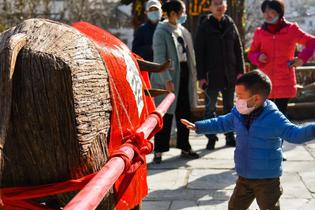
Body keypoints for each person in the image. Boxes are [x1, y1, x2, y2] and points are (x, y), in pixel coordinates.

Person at [181, 70, 315, 210]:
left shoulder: (274, 118)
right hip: (244, 176)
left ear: (256, 99)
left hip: (267, 180)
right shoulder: (238, 114)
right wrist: (198, 126)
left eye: (240, 96)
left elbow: (296, 134)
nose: (236, 100)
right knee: (234, 207)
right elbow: (220, 123)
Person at [150, 0, 199, 163]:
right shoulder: (161, 31)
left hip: (184, 74)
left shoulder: (182, 30)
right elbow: (159, 58)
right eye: (181, 12)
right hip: (169, 76)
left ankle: (185, 146)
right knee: (165, 114)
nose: (183, 15)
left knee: (184, 112)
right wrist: (166, 79)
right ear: (172, 14)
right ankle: (159, 150)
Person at [248, 0, 315, 116]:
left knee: (279, 115)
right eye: (265, 12)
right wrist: (258, 57)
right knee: (265, 116)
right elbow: (251, 53)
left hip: (285, 81)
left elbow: (312, 42)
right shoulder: (260, 33)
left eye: (272, 12)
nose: (268, 15)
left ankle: (278, 134)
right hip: (265, 83)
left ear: (280, 13)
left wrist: (301, 59)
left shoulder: (292, 30)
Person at [194, 0, 245, 150]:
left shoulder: (230, 23)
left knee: (230, 108)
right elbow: (199, 53)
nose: (219, 6)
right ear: (210, 7)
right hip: (211, 76)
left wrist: (240, 71)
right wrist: (201, 76)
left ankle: (230, 137)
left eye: (221, 3)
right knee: (210, 108)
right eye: (215, 3)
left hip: (230, 74)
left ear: (226, 6)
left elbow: (238, 49)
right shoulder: (204, 26)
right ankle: (211, 138)